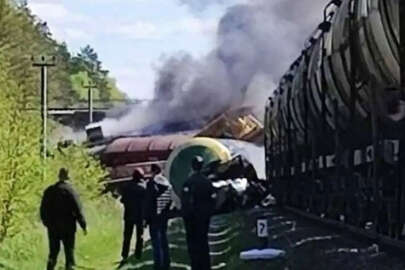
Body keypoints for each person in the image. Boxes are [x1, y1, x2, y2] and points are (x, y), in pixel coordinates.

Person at [40, 168, 87, 270]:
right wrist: (83, 224)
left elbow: (43, 209)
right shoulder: (70, 191)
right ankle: (69, 267)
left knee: (53, 251)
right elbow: (77, 209)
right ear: (67, 177)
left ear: (59, 176)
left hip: (53, 227)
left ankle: (50, 267)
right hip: (68, 226)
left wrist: (46, 223)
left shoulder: (49, 191)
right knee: (69, 251)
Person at [181, 156, 216, 270]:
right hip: (204, 217)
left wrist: (186, 216)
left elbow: (185, 202)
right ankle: (206, 265)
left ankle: (196, 266)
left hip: (192, 218)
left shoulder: (188, 182)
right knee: (203, 241)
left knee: (193, 244)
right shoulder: (207, 182)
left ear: (192, 166)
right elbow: (213, 199)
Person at [144, 164, 173, 270]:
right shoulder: (167, 183)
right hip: (164, 215)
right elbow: (170, 200)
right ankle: (166, 262)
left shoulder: (151, 183)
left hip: (154, 216)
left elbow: (148, 202)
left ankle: (158, 265)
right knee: (164, 240)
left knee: (156, 242)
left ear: (153, 171)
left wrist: (146, 218)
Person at [119, 168, 147, 266]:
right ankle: (138, 254)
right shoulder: (143, 188)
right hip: (140, 215)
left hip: (129, 214)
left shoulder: (126, 187)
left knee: (127, 236)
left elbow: (122, 200)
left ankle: (124, 255)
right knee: (140, 236)